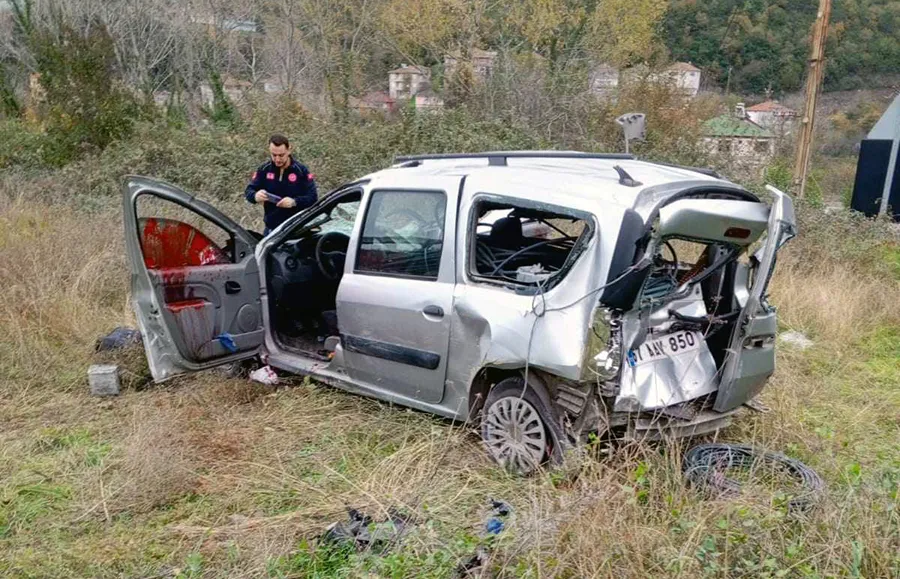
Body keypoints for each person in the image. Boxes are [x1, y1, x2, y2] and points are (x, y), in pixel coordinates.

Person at [245, 134, 318, 234]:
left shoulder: (301, 171)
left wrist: (294, 202)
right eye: (274, 155)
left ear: (289, 150)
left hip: (296, 230)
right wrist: (255, 196)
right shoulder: (264, 169)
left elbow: (313, 198)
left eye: (281, 155)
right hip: (271, 231)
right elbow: (249, 191)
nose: (277, 159)